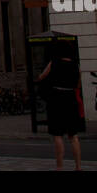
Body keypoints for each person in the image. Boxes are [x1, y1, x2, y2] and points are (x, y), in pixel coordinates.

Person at [37, 42, 83, 170]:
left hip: (57, 99)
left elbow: (42, 77)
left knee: (58, 135)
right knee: (73, 136)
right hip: (70, 98)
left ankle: (60, 167)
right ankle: (78, 166)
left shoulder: (54, 63)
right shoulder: (75, 65)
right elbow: (78, 84)